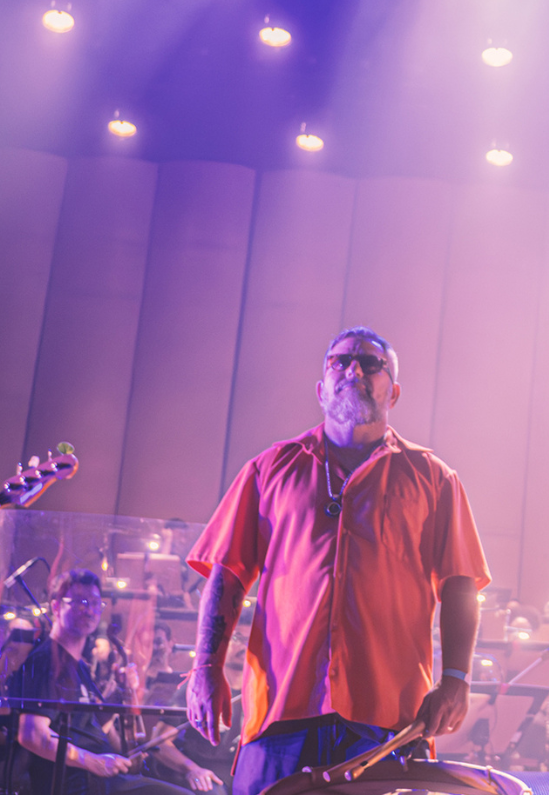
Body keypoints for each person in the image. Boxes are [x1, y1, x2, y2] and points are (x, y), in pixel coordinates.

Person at [185, 327, 491, 795]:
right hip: (282, 714)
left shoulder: (433, 478)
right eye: (339, 362)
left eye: (371, 364)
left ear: (395, 391)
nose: (354, 370)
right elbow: (226, 575)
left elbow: (461, 585)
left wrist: (455, 679)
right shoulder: (270, 469)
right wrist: (206, 667)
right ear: (321, 389)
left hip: (388, 719)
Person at [9, 570, 207, 795]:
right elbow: (32, 735)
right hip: (78, 782)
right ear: (55, 606)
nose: (90, 609)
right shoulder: (46, 661)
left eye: (95, 603)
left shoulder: (77, 665)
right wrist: (93, 761)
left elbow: (90, 722)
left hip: (103, 778)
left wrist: (121, 692)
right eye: (80, 602)